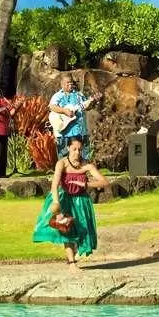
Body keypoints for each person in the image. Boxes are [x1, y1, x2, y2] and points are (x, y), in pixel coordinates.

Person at [32, 135, 109, 274]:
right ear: (68, 148)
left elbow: (104, 182)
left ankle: (74, 256)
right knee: (65, 230)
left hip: (81, 201)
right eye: (74, 149)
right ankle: (72, 263)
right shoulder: (62, 163)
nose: (77, 152)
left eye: (80, 149)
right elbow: (54, 186)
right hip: (64, 199)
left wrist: (86, 184)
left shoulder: (87, 165)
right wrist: (57, 205)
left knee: (82, 231)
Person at [48, 74, 95, 157]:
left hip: (80, 131)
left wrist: (91, 103)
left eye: (71, 83)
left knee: (82, 157)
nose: (70, 85)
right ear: (62, 84)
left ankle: (83, 169)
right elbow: (52, 107)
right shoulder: (57, 96)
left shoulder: (79, 95)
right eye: (68, 83)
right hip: (64, 132)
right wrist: (64, 111)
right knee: (64, 158)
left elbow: (86, 107)